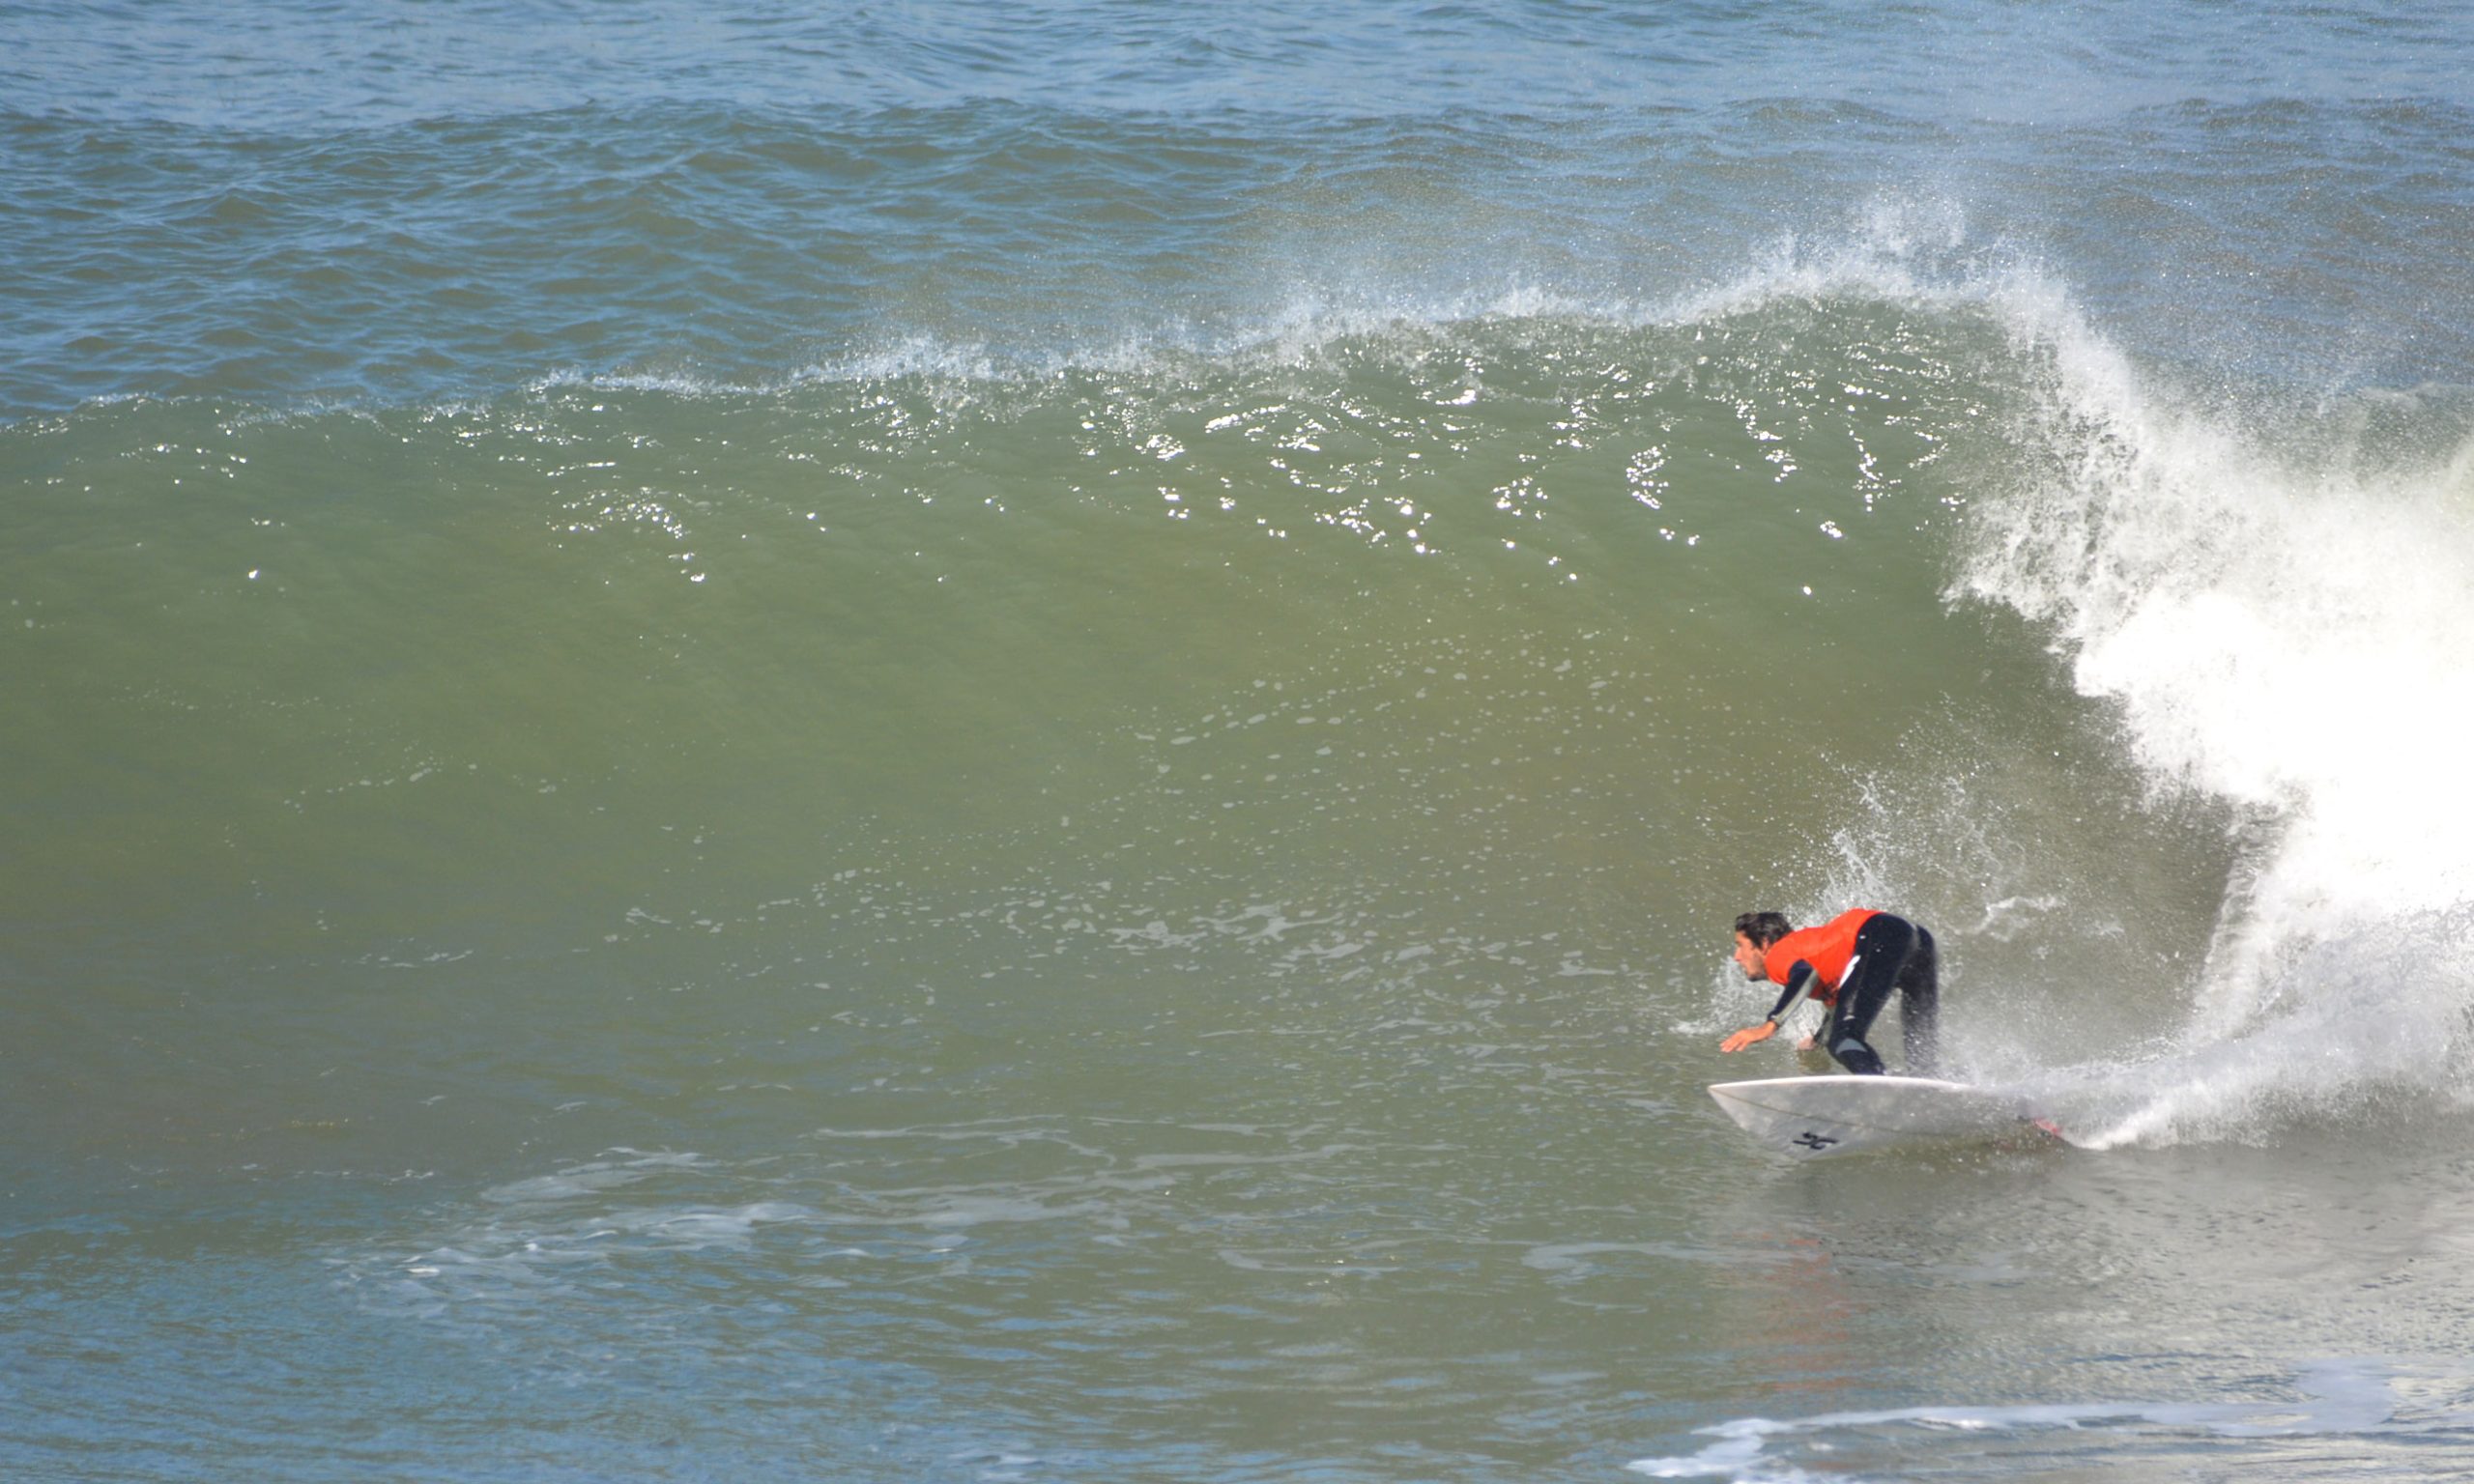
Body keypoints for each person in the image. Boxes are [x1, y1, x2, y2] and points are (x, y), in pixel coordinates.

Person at [1718, 908, 1938, 1075]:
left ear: (1764, 944)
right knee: (1919, 1053)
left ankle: (1887, 1091)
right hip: (1916, 939)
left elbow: (1806, 975)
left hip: (1879, 934)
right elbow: (1841, 1009)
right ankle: (1930, 1088)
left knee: (1844, 1040)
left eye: (1741, 945)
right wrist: (1817, 1041)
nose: (1737, 956)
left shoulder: (1778, 954)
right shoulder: (1816, 954)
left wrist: (1769, 1026)